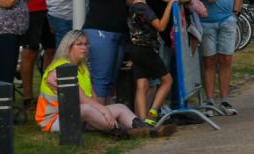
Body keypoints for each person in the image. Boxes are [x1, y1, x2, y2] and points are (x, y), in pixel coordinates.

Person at [37, 30, 174, 138]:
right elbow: (82, 98)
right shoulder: (60, 66)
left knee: (119, 107)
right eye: (79, 44)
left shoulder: (82, 68)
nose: (84, 48)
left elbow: (93, 97)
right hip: (53, 120)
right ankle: (120, 132)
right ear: (68, 47)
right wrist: (104, 111)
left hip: (75, 115)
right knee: (87, 108)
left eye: (86, 44)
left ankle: (146, 130)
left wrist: (104, 111)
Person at [193, 0, 240, 112]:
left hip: (227, 19)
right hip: (206, 21)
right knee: (209, 61)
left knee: (226, 59)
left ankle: (225, 99)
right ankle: (210, 101)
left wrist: (235, 12)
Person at [84, 0, 132, 103]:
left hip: (119, 31)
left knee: (112, 77)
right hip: (99, 31)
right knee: (101, 78)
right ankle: (99, 118)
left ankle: (107, 115)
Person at [124, 0, 175, 124]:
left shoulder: (132, 7)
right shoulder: (144, 8)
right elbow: (160, 26)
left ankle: (141, 121)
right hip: (147, 49)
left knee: (142, 85)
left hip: (135, 49)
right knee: (167, 81)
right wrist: (169, 6)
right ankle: (153, 113)